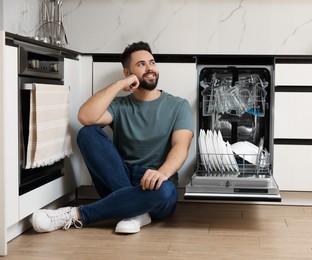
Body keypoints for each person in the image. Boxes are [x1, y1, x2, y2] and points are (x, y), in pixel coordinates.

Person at [31, 41, 193, 234]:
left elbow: (181, 147)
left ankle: (76, 214)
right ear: (127, 73)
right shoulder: (120, 105)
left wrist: (163, 173)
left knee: (166, 191)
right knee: (87, 132)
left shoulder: (178, 105)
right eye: (141, 64)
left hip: (156, 183)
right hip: (120, 176)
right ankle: (135, 212)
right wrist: (119, 85)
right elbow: (85, 117)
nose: (150, 68)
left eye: (152, 62)